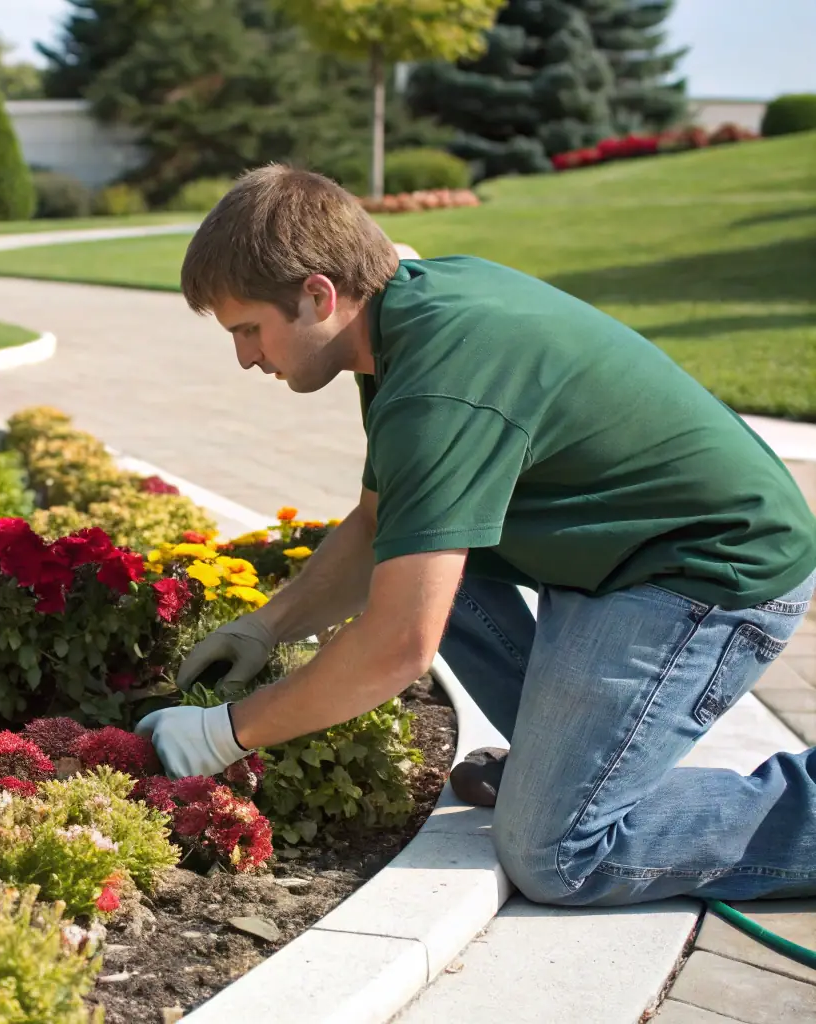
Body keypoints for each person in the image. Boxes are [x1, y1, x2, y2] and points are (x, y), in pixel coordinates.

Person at [133, 164, 816, 908]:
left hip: (703, 572)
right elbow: (375, 523)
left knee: (556, 853)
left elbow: (399, 647)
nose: (244, 357)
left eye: (248, 329)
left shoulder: (436, 383)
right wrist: (267, 626)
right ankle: (559, 773)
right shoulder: (396, 317)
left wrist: (221, 736)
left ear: (317, 295)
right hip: (619, 552)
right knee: (413, 552)